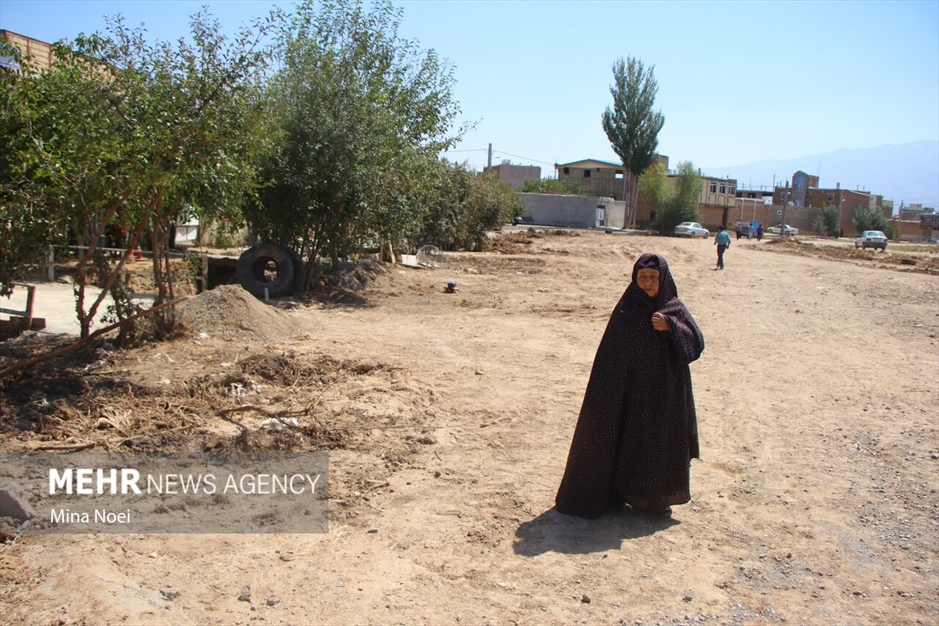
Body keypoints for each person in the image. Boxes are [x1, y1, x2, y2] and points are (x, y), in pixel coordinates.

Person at [555, 253, 705, 519]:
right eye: (642, 277)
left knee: (655, 444)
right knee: (622, 439)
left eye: (653, 277)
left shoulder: (674, 308)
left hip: (662, 395)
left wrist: (671, 327)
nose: (647, 282)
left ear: (663, 279)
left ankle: (652, 500)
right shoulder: (626, 310)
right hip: (627, 393)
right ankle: (613, 493)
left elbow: (696, 344)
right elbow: (611, 354)